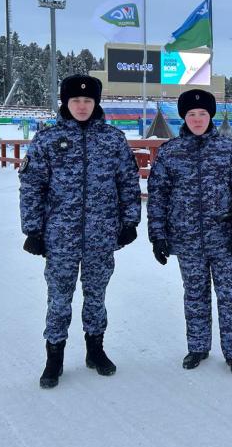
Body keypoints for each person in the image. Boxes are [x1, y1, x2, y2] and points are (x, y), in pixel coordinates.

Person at [19, 75, 141, 389]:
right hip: (60, 235)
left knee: (96, 296)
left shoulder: (113, 139)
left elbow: (128, 183)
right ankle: (54, 357)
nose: (82, 106)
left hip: (102, 234)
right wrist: (33, 230)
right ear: (65, 103)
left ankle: (95, 350)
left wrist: (129, 222)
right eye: (76, 101)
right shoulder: (48, 139)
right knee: (59, 299)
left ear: (96, 103)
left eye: (88, 101)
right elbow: (32, 187)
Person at [147, 89, 232, 377]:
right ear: (184, 117)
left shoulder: (229, 150)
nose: (197, 119)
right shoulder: (170, 153)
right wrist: (158, 236)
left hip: (224, 238)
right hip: (187, 240)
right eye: (192, 114)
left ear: (211, 117)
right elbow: (157, 196)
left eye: (203, 114)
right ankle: (197, 347)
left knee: (231, 296)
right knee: (194, 295)